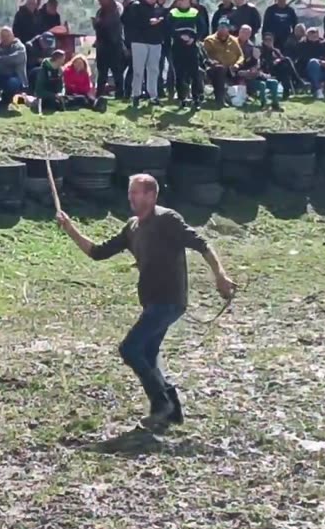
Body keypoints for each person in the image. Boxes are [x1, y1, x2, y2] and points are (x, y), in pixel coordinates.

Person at [55, 175, 236, 428]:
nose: (131, 197)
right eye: (130, 192)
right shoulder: (132, 227)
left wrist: (220, 275)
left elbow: (202, 244)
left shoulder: (167, 219)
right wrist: (70, 228)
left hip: (170, 301)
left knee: (130, 349)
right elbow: (97, 253)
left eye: (136, 193)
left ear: (152, 196)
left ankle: (161, 404)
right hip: (152, 303)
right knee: (148, 355)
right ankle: (172, 411)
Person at [122, 0, 165, 109]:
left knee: (154, 70)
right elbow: (128, 22)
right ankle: (136, 94)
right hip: (139, 41)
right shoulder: (135, 6)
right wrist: (147, 22)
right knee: (138, 70)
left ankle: (153, 95)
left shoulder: (158, 9)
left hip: (155, 41)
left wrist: (160, 22)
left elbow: (164, 23)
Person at [202, 19, 243, 107]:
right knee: (220, 70)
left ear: (228, 29)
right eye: (221, 27)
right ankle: (220, 99)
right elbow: (204, 56)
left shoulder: (234, 40)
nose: (223, 29)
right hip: (213, 69)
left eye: (225, 27)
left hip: (231, 69)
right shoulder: (209, 40)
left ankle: (241, 96)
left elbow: (241, 55)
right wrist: (212, 62)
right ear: (217, 28)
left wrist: (237, 64)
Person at [92, 0, 123, 97]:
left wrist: (98, 23)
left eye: (101, 0)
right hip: (104, 44)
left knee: (116, 71)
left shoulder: (115, 10)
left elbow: (110, 25)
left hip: (112, 45)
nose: (100, 2)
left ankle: (119, 93)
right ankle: (100, 92)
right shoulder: (101, 11)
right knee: (103, 72)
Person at [170, 27, 205, 110]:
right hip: (178, 51)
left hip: (192, 51)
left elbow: (202, 28)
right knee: (179, 77)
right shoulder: (172, 14)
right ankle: (182, 99)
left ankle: (196, 99)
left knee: (195, 77)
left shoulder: (195, 14)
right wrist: (179, 36)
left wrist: (194, 38)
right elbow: (169, 28)